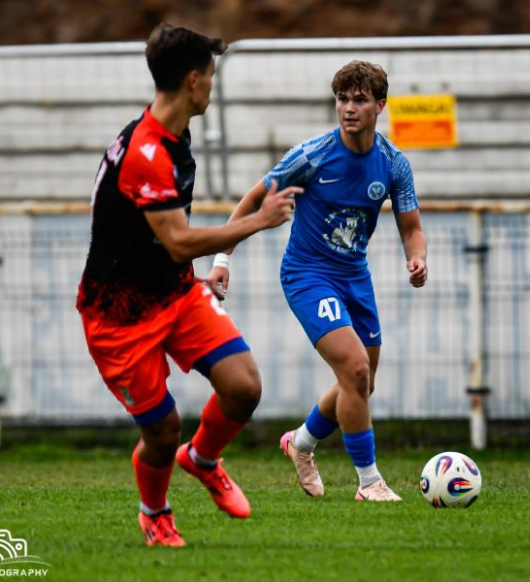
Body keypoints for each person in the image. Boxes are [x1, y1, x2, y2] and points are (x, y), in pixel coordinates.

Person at [76, 24, 301, 547]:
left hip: (172, 292)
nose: (213, 88)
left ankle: (202, 460)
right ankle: (154, 513)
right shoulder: (146, 153)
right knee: (161, 429)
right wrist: (256, 221)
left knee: (244, 387)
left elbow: (158, 243)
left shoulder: (173, 134)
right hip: (118, 316)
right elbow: (177, 241)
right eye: (212, 78)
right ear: (194, 81)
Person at [208, 60, 427, 501]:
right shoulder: (312, 155)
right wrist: (221, 258)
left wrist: (416, 258)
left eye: (359, 100)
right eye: (342, 99)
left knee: (361, 384)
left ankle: (301, 444)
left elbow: (411, 226)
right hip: (307, 275)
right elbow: (254, 197)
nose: (348, 108)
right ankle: (370, 482)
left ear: (380, 105)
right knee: (355, 369)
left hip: (354, 276)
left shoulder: (393, 164)